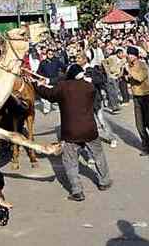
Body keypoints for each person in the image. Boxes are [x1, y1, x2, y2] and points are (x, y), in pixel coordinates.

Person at [33, 64, 112, 201]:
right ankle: (104, 182)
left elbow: (49, 95)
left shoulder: (63, 87)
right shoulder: (89, 87)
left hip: (71, 131)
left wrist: (37, 85)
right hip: (89, 129)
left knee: (70, 161)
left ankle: (77, 191)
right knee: (99, 155)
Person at [125, 46, 149, 156]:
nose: (128, 56)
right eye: (128, 54)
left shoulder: (142, 64)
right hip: (136, 97)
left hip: (146, 96)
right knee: (139, 125)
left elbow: (141, 77)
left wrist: (129, 72)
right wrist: (126, 76)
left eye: (130, 54)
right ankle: (147, 147)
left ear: (135, 56)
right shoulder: (129, 66)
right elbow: (127, 78)